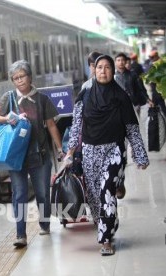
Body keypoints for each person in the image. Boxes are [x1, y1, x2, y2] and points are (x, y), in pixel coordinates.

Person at [64, 55, 149, 256]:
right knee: (95, 197)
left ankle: (106, 240)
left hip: (114, 151)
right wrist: (69, 152)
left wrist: (140, 155)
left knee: (107, 192)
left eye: (107, 67)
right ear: (94, 71)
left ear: (113, 71)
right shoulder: (84, 95)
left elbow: (132, 128)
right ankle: (110, 223)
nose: (103, 71)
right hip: (89, 152)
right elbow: (76, 126)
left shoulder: (121, 97)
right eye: (99, 67)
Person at [0, 60, 64, 247]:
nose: (19, 81)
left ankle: (45, 224)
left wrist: (61, 148)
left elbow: (51, 125)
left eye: (22, 76)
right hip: (16, 157)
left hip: (40, 154)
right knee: (19, 194)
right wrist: (8, 118)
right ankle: (20, 234)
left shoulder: (42, 99)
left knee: (42, 193)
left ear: (30, 77)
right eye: (15, 78)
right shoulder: (8, 98)